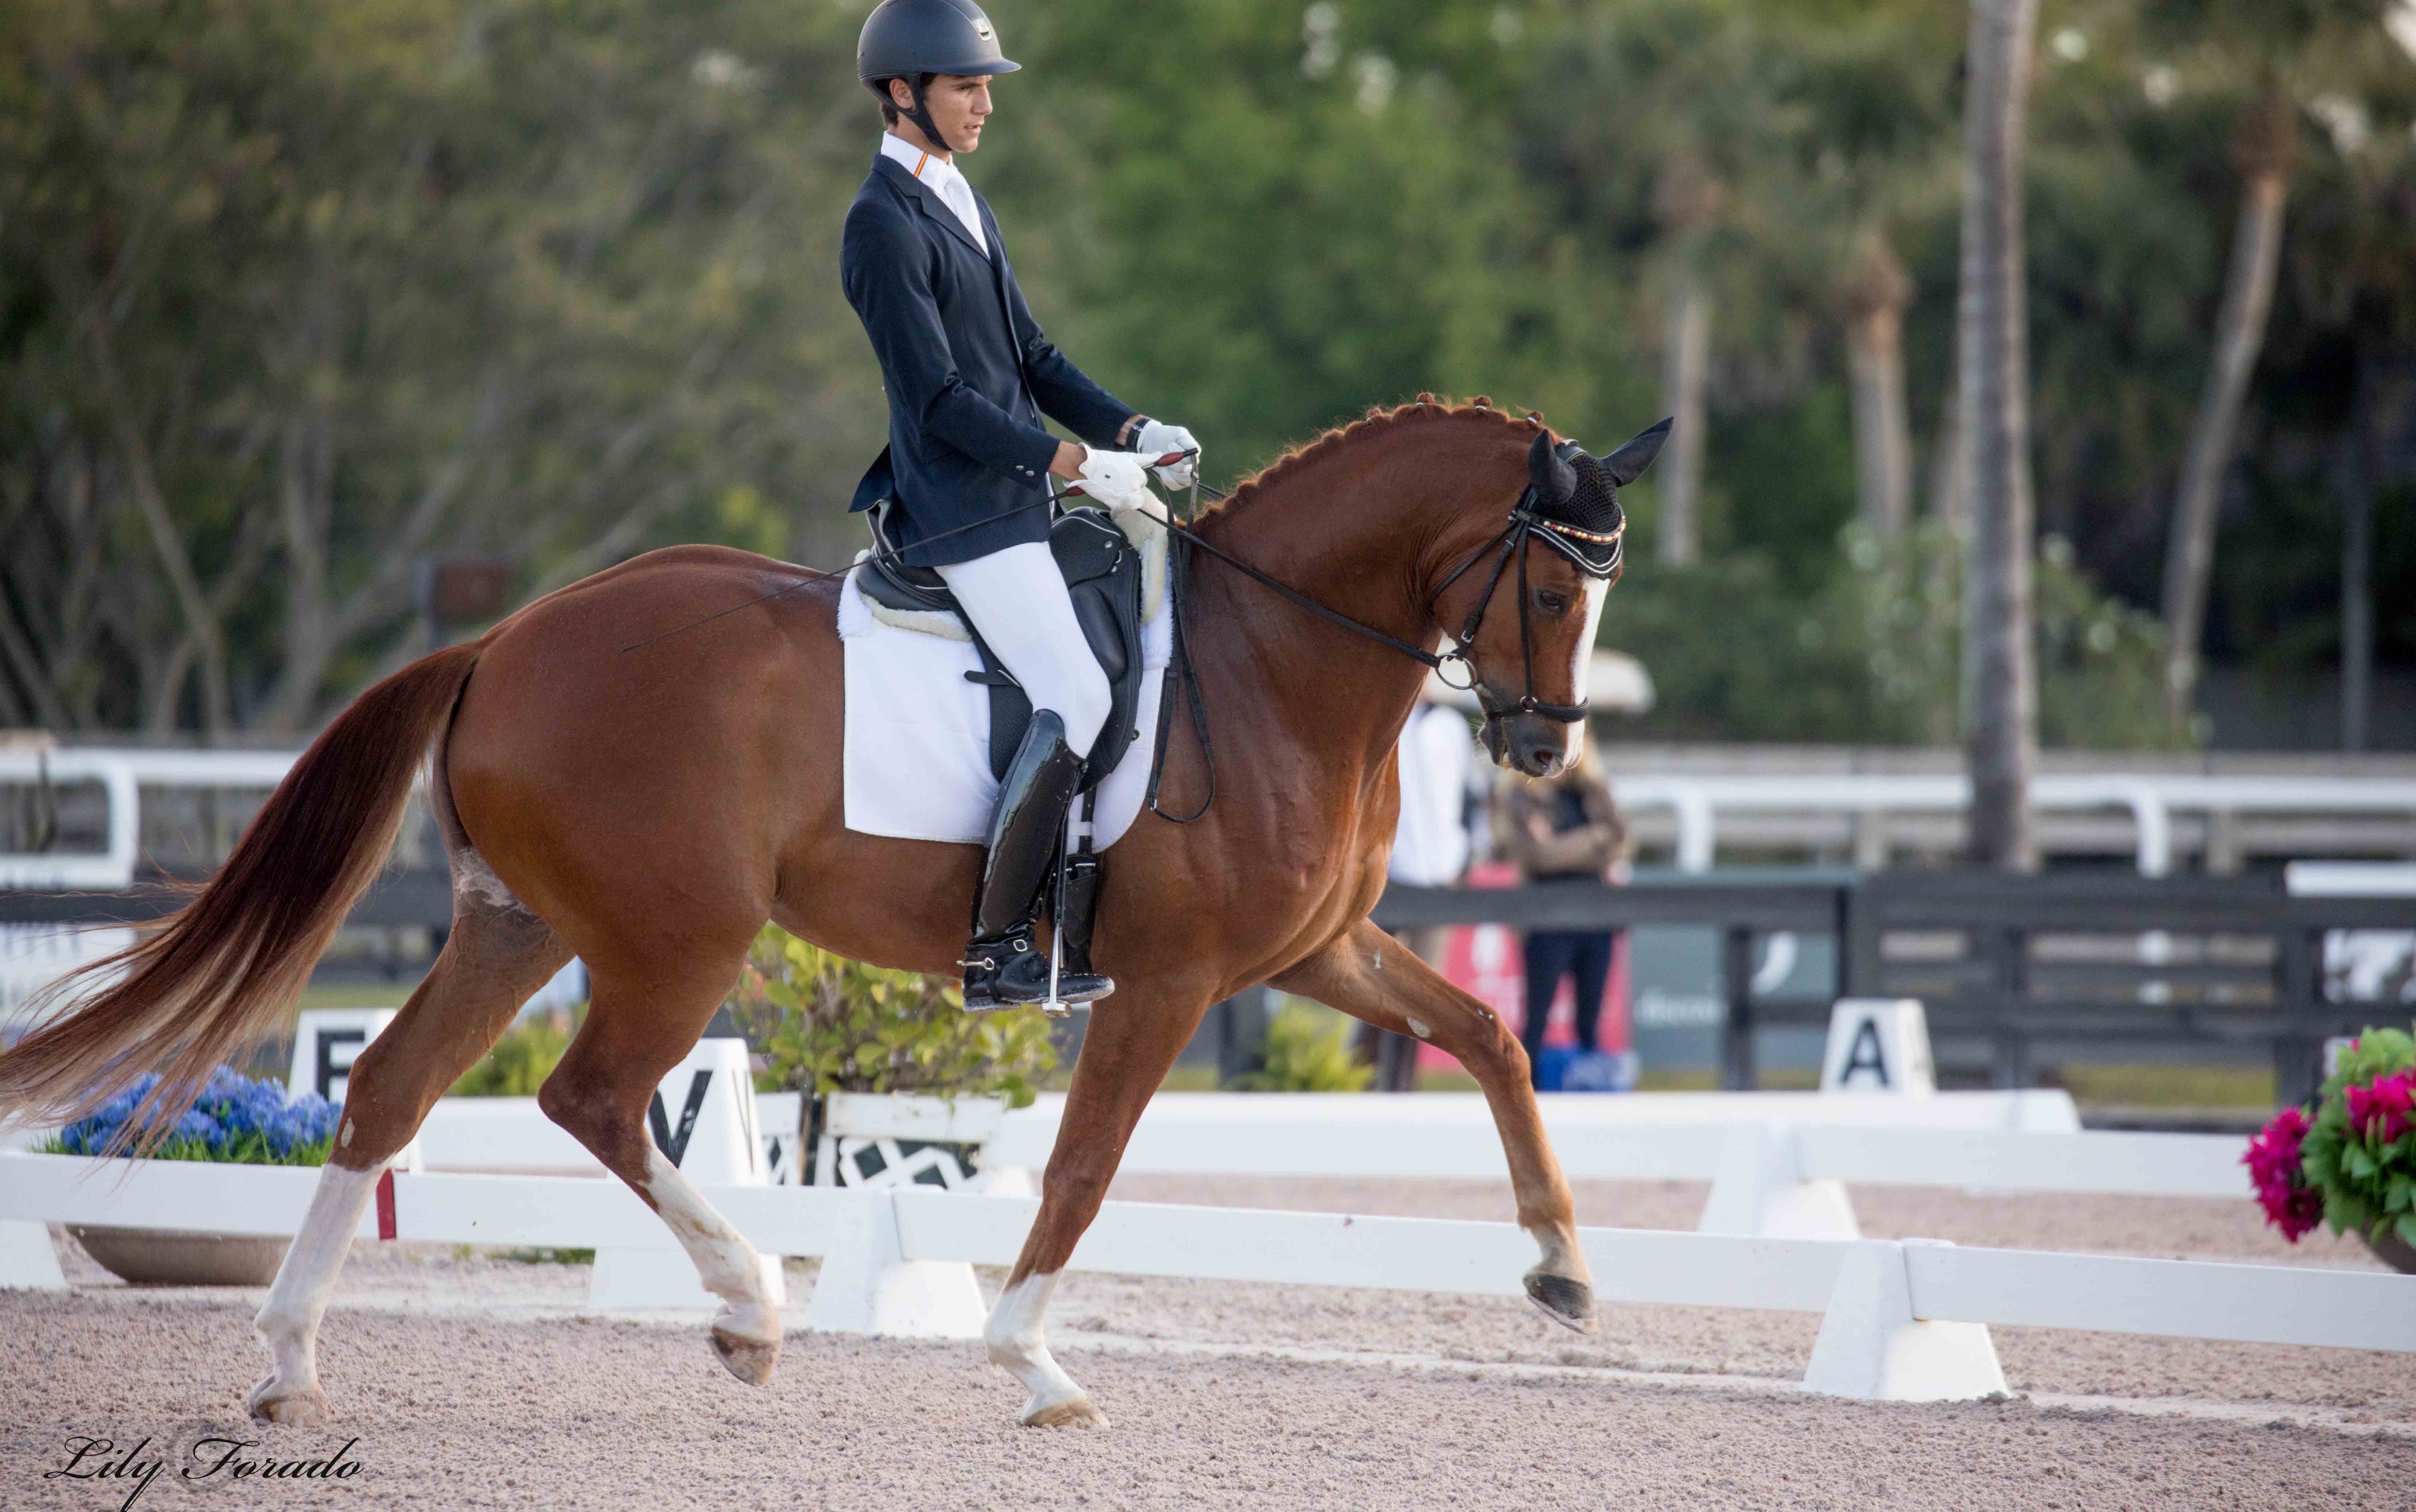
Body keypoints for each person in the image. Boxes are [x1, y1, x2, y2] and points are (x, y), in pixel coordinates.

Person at [841, 0, 1200, 1012]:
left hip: (1018, 497)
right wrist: (1072, 463)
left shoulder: (957, 194)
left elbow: (1029, 358)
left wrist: (1134, 433)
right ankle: (996, 945)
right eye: (966, 87)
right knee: (1077, 696)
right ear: (902, 95)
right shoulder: (879, 223)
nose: (984, 103)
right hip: (960, 510)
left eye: (985, 85)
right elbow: (940, 403)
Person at [1360, 688, 1480, 1091]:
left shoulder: (1453, 728)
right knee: (1373, 991)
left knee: (1424, 998)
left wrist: (1461, 861)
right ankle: (1363, 1079)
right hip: (1389, 878)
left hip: (1439, 878)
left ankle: (1403, 1085)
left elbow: (1468, 800)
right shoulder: (1390, 719)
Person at [1494, 748, 1632, 1090]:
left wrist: (1572, 845)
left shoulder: (1591, 790)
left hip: (1596, 916)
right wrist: (1595, 840)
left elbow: (1625, 840)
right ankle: (1529, 1093)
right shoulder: (1523, 793)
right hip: (1546, 918)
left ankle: (1590, 1088)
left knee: (1591, 1016)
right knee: (1537, 1017)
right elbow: (1540, 856)